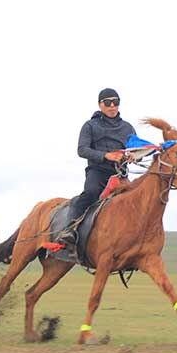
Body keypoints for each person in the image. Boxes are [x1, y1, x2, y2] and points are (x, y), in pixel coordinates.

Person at [56, 88, 136, 250]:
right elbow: (82, 150)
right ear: (100, 105)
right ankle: (69, 230)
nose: (112, 106)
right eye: (108, 103)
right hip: (97, 171)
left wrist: (135, 155)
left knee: (135, 201)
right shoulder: (90, 126)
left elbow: (135, 147)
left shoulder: (127, 127)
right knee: (91, 192)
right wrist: (106, 155)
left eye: (116, 102)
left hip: (120, 174)